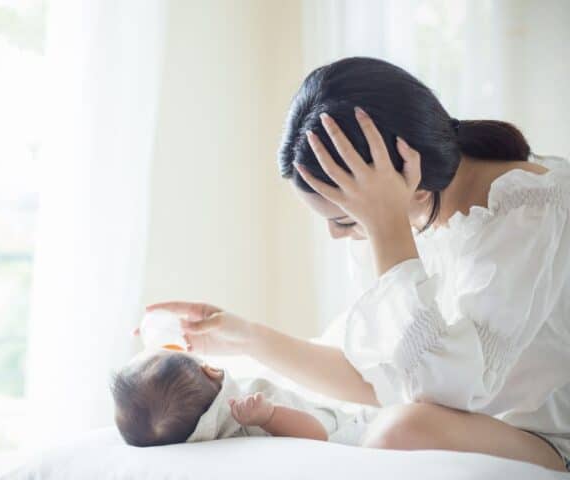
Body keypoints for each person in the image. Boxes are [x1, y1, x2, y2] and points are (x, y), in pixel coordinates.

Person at [144, 57, 570, 472]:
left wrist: (387, 227)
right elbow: (381, 380)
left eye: (344, 220)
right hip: (465, 423)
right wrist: (248, 338)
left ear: (412, 184)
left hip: (546, 438)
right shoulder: (407, 217)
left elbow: (444, 395)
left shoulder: (527, 211)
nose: (337, 235)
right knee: (346, 416)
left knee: (398, 430)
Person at [110, 348, 369, 447]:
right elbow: (318, 436)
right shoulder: (247, 416)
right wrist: (270, 416)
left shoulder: (185, 426)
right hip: (348, 430)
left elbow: (159, 388)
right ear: (210, 370)